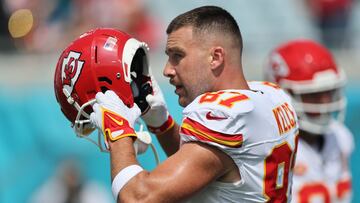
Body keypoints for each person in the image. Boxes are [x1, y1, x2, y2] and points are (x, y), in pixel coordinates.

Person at [54, 6, 299, 202]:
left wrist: (117, 128)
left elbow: (138, 198)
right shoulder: (271, 95)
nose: (167, 70)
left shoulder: (225, 114)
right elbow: (203, 167)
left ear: (215, 57)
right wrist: (161, 124)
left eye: (177, 56)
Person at [264, 39, 354, 202]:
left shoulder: (341, 137)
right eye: (313, 94)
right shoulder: (269, 147)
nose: (325, 102)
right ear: (282, 95)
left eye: (329, 92)